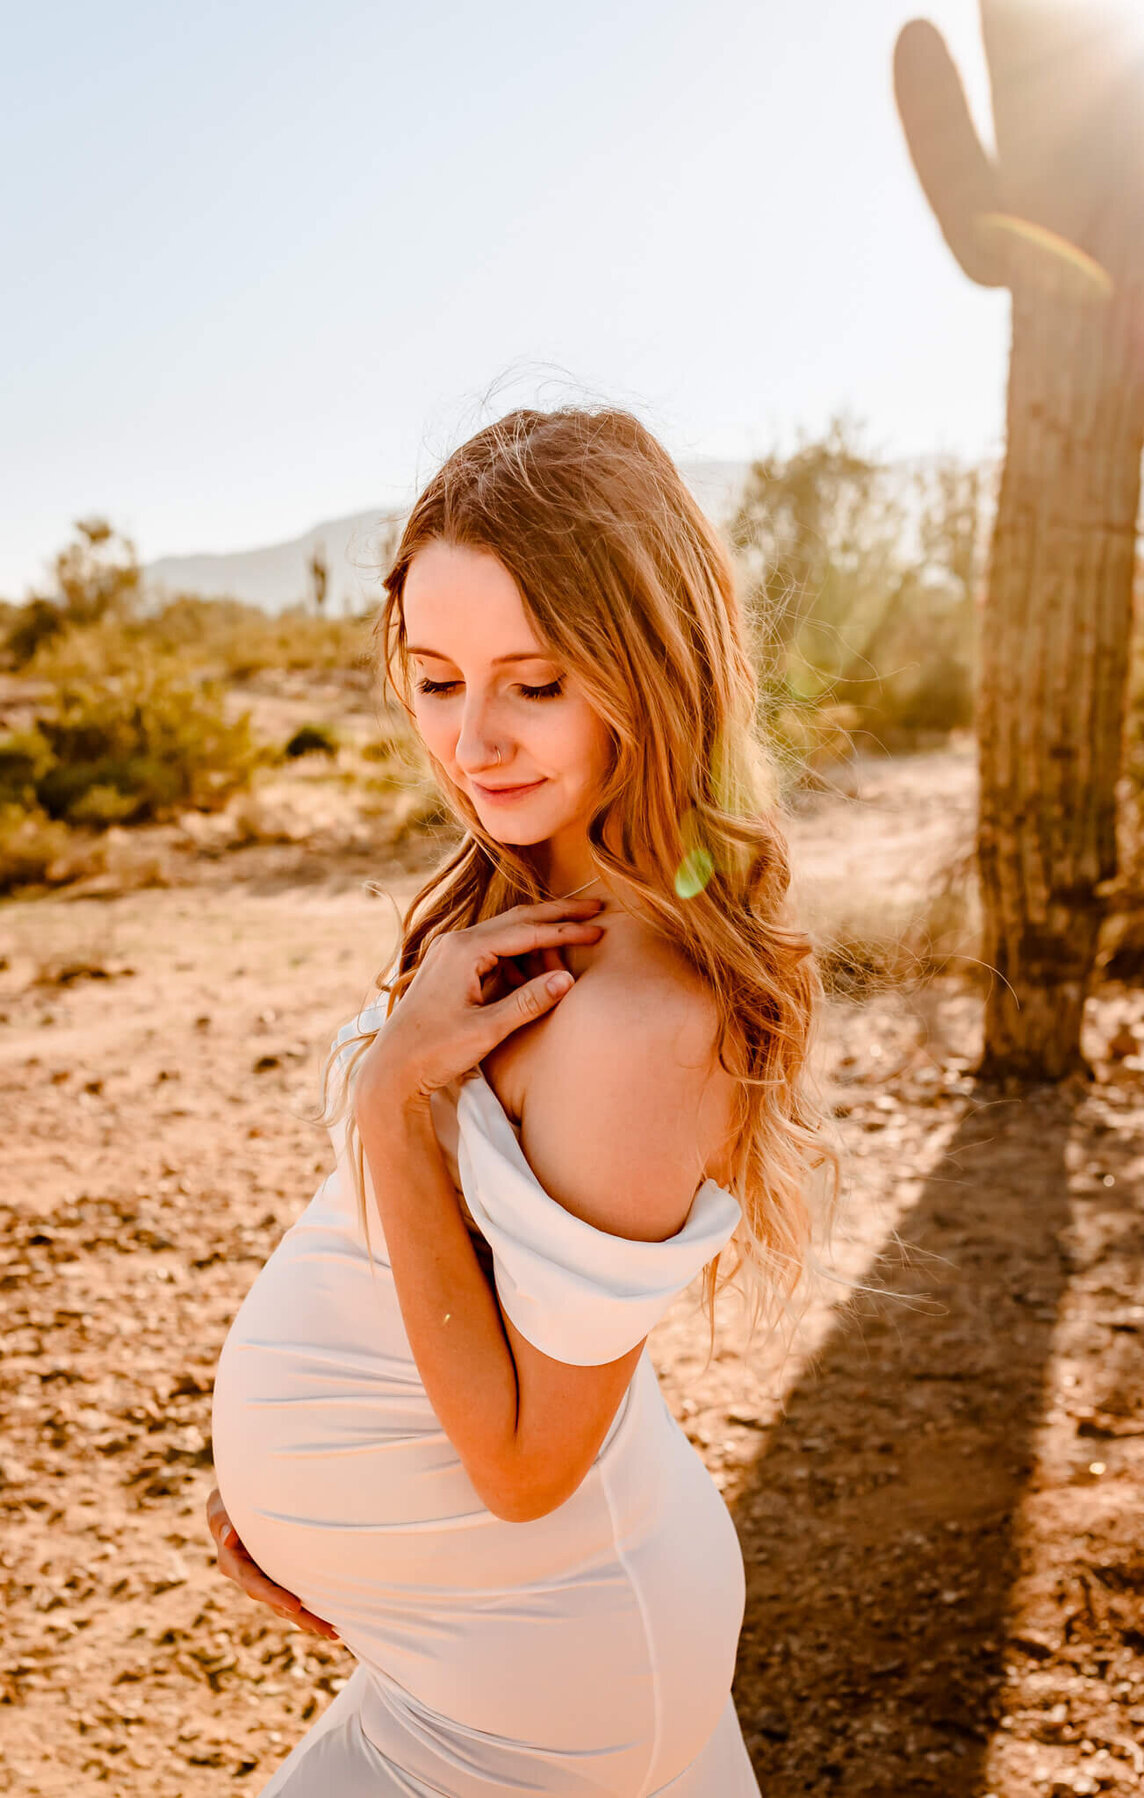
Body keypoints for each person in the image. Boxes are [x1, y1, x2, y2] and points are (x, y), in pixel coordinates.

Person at [206, 405, 838, 1795]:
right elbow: (502, 1287)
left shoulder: (633, 1017)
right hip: (480, 1621)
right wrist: (311, 1508)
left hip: (545, 1665)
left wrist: (389, 1097)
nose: (472, 740)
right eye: (435, 680)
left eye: (534, 682)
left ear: (648, 667)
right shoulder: (537, 890)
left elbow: (528, 1460)